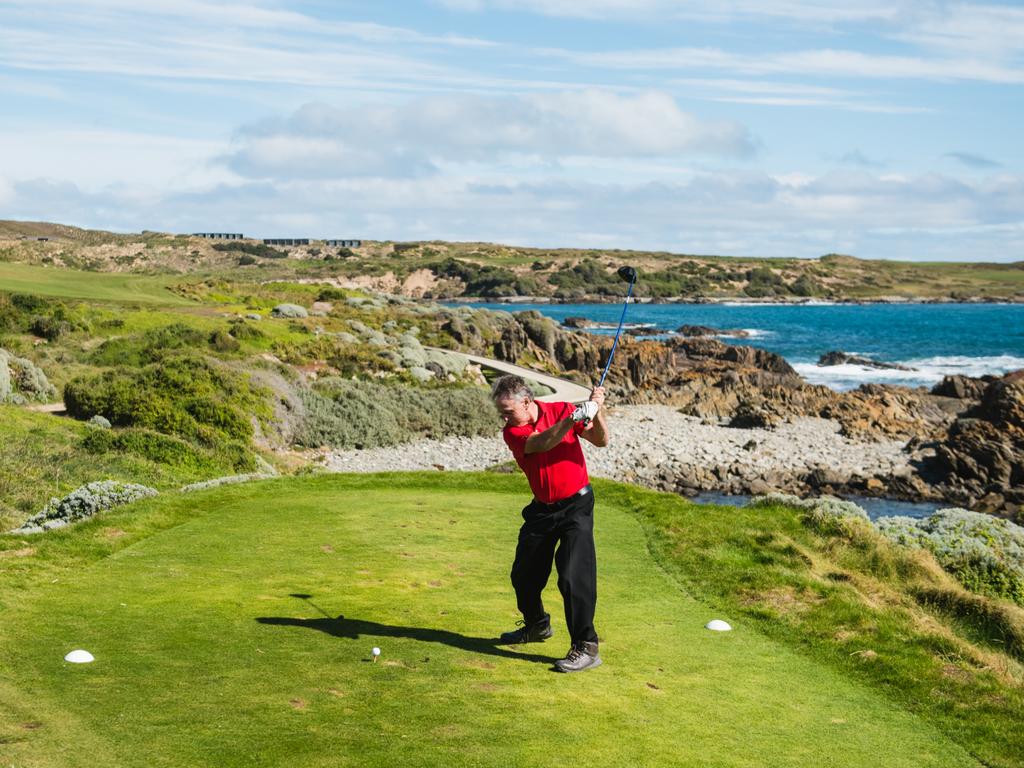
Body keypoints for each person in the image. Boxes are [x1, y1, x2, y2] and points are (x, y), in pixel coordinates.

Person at [491, 374, 609, 673]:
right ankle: (537, 625)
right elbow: (542, 443)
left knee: (573, 576)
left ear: (527, 401)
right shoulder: (513, 432)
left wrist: (598, 408)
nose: (504, 418)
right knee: (524, 576)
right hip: (542, 510)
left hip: (577, 506)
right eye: (501, 412)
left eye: (508, 411)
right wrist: (573, 419)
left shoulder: (560, 410)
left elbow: (601, 440)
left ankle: (586, 646)